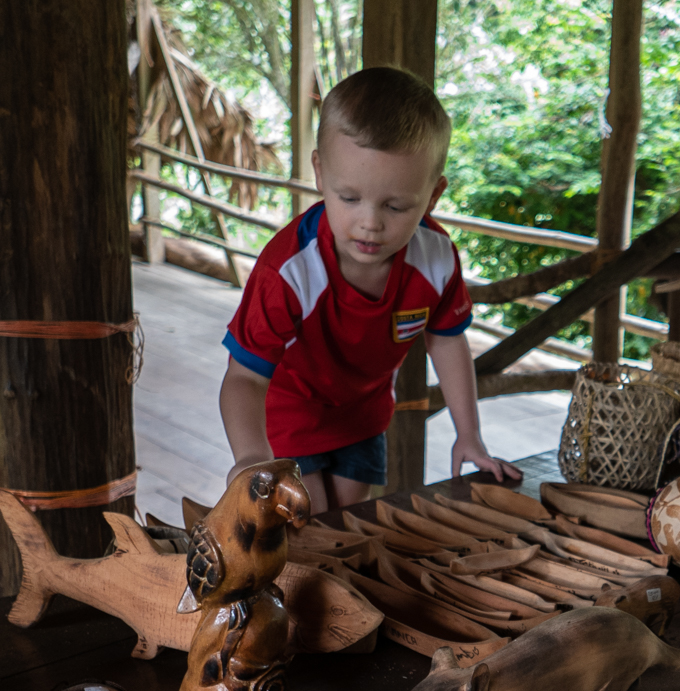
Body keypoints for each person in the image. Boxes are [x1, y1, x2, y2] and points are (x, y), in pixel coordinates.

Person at [219, 66, 520, 514]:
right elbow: (244, 376)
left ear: (433, 196)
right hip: (289, 415)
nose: (370, 223)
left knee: (347, 519)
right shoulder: (288, 270)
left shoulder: (435, 258)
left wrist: (469, 436)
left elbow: (447, 341)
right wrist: (250, 456)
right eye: (349, 198)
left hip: (364, 417)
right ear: (320, 173)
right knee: (308, 523)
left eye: (395, 206)